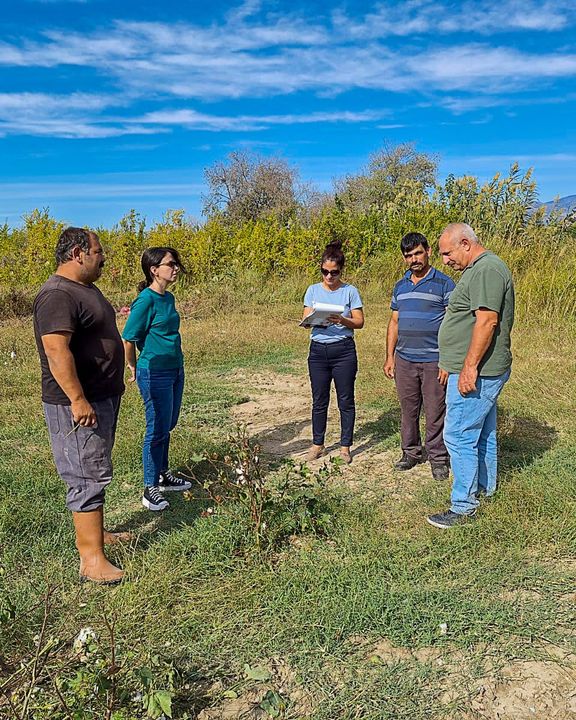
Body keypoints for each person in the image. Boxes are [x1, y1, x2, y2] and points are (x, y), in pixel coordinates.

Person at [33, 227, 125, 585]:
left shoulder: (83, 288)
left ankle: (99, 536)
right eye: (98, 251)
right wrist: (77, 398)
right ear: (77, 254)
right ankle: (91, 560)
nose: (103, 257)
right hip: (78, 403)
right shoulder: (56, 294)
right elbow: (56, 350)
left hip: (101, 396)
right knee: (84, 475)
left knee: (96, 467)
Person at [427, 223, 515, 529]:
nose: (445, 260)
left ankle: (463, 506)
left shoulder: (487, 269)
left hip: (482, 371)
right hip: (478, 368)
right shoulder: (478, 269)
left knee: (458, 434)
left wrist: (468, 367)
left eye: (447, 253)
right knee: (482, 432)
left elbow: (487, 321)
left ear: (465, 243)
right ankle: (484, 488)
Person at [122, 247, 191, 512]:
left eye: (175, 263)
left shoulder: (168, 298)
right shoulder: (145, 300)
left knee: (169, 423)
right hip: (154, 372)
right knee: (156, 428)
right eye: (170, 264)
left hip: (174, 369)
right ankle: (149, 487)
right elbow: (128, 337)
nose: (175, 268)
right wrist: (132, 366)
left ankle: (163, 475)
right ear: (154, 270)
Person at [384, 232, 455, 480]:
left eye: (417, 253)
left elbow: (453, 324)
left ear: (428, 252)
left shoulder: (445, 284)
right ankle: (411, 453)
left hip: (434, 359)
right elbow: (394, 323)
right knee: (408, 409)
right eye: (408, 255)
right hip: (405, 359)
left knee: (436, 410)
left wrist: (447, 360)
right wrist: (390, 357)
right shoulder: (400, 286)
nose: (414, 259)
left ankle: (438, 458)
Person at [302, 240, 364, 464]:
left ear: (341, 270)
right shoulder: (312, 290)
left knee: (345, 399)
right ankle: (317, 443)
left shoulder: (350, 292)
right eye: (325, 272)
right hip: (318, 351)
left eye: (334, 273)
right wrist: (310, 321)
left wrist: (342, 320)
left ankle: (345, 446)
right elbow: (306, 317)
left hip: (343, 351)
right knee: (319, 399)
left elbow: (360, 322)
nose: (329, 277)